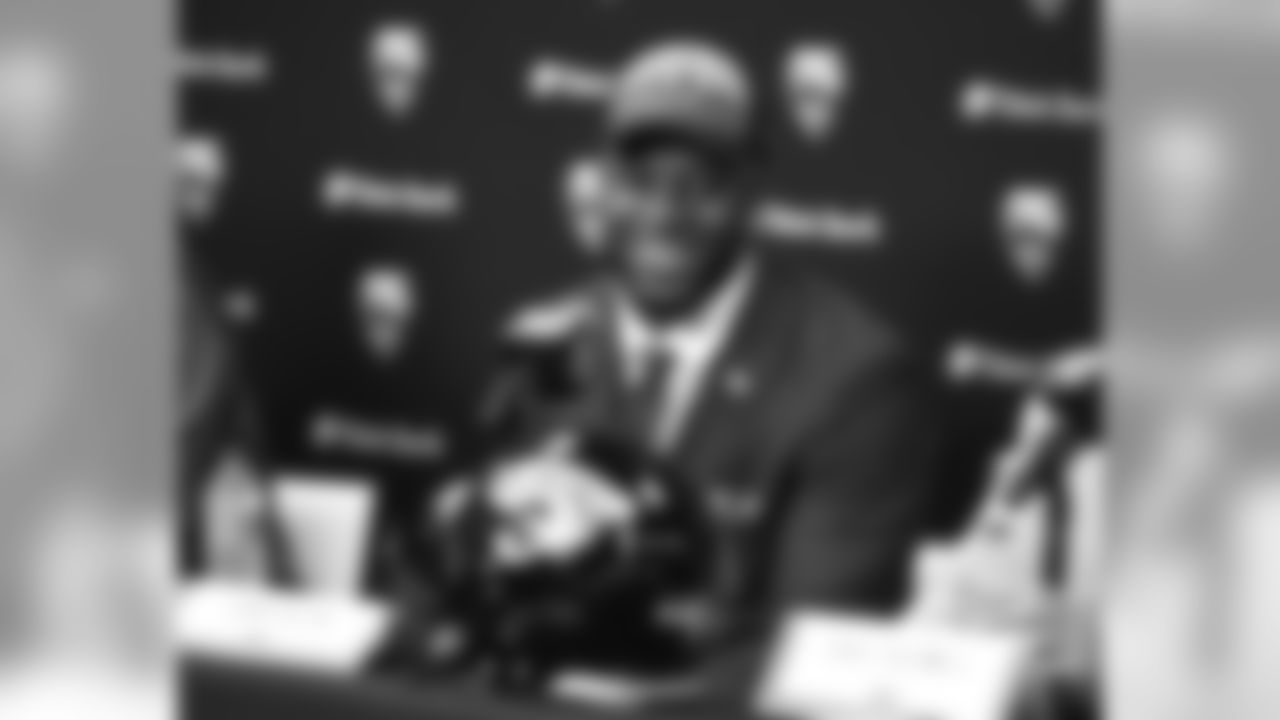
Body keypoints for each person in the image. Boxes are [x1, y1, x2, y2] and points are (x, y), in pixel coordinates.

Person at [481, 39, 939, 705]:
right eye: (639, 178)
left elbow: (818, 654)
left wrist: (644, 706)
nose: (665, 213)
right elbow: (487, 577)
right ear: (603, 183)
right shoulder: (539, 342)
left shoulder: (858, 376)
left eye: (703, 182)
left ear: (753, 186)